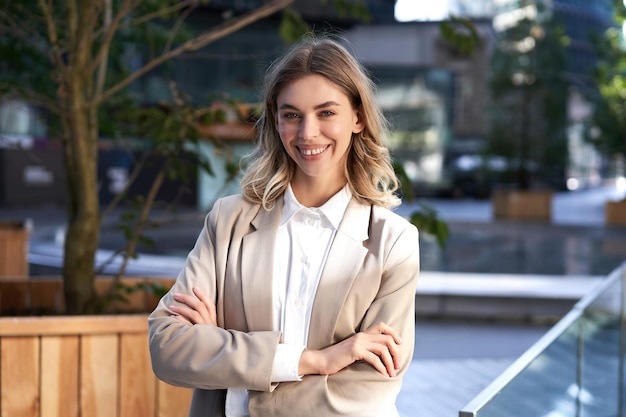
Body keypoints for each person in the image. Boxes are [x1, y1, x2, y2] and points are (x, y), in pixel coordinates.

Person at [148, 34, 420, 417]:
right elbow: (168, 348)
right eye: (292, 114)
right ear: (276, 121)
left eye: (326, 113)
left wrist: (226, 352)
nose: (307, 132)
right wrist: (316, 361)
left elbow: (368, 389)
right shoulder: (229, 221)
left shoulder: (394, 242)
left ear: (357, 117)